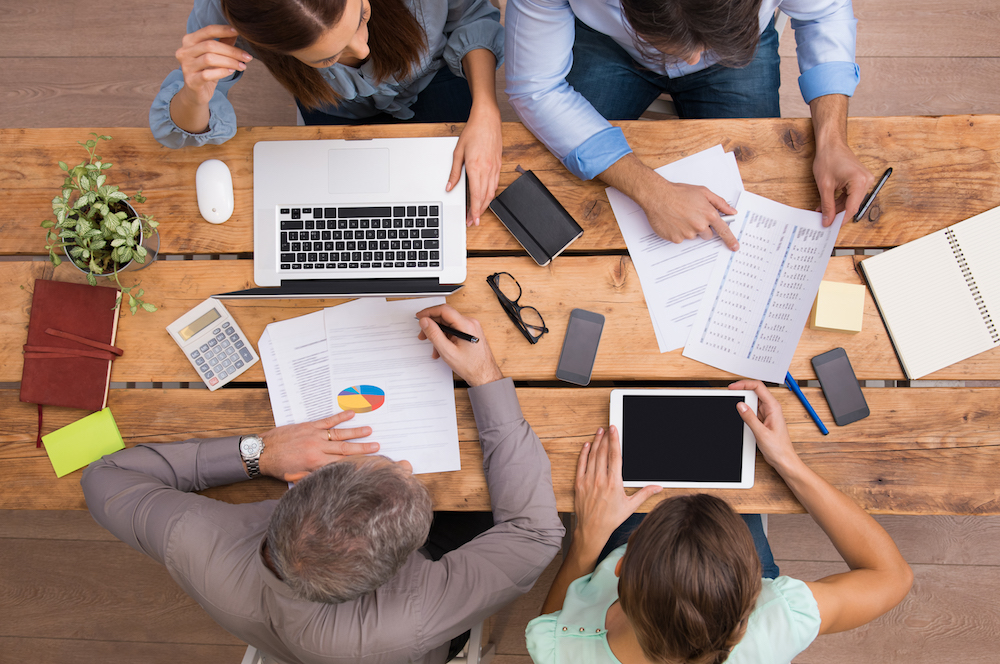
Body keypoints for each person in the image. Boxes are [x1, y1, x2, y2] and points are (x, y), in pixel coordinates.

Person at [82, 304, 564, 664]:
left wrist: (260, 453)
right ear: (395, 571)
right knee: (494, 509)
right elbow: (537, 534)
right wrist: (486, 378)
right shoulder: (413, 615)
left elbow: (104, 476)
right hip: (412, 644)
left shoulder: (192, 539)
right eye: (400, 475)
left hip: (281, 627)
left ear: (298, 491)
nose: (405, 468)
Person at [526, 380, 913, 664]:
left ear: (623, 568)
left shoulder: (561, 650)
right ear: (755, 596)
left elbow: (552, 622)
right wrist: (789, 463)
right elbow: (892, 576)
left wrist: (586, 542)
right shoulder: (778, 620)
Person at [504, 0, 876, 247]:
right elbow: (536, 87)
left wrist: (831, 140)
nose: (695, 59)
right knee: (560, 195)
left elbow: (824, 14)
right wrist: (651, 190)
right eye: (679, 45)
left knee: (757, 204)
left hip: (736, 45)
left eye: (702, 48)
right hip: (608, 42)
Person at [151, 0, 504, 224]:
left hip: (435, 77)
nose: (363, 49)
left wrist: (486, 109)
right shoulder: (231, 14)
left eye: (361, 16)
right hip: (335, 107)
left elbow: (471, 16)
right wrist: (195, 94)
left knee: (470, 207)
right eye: (326, 58)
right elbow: (182, 127)